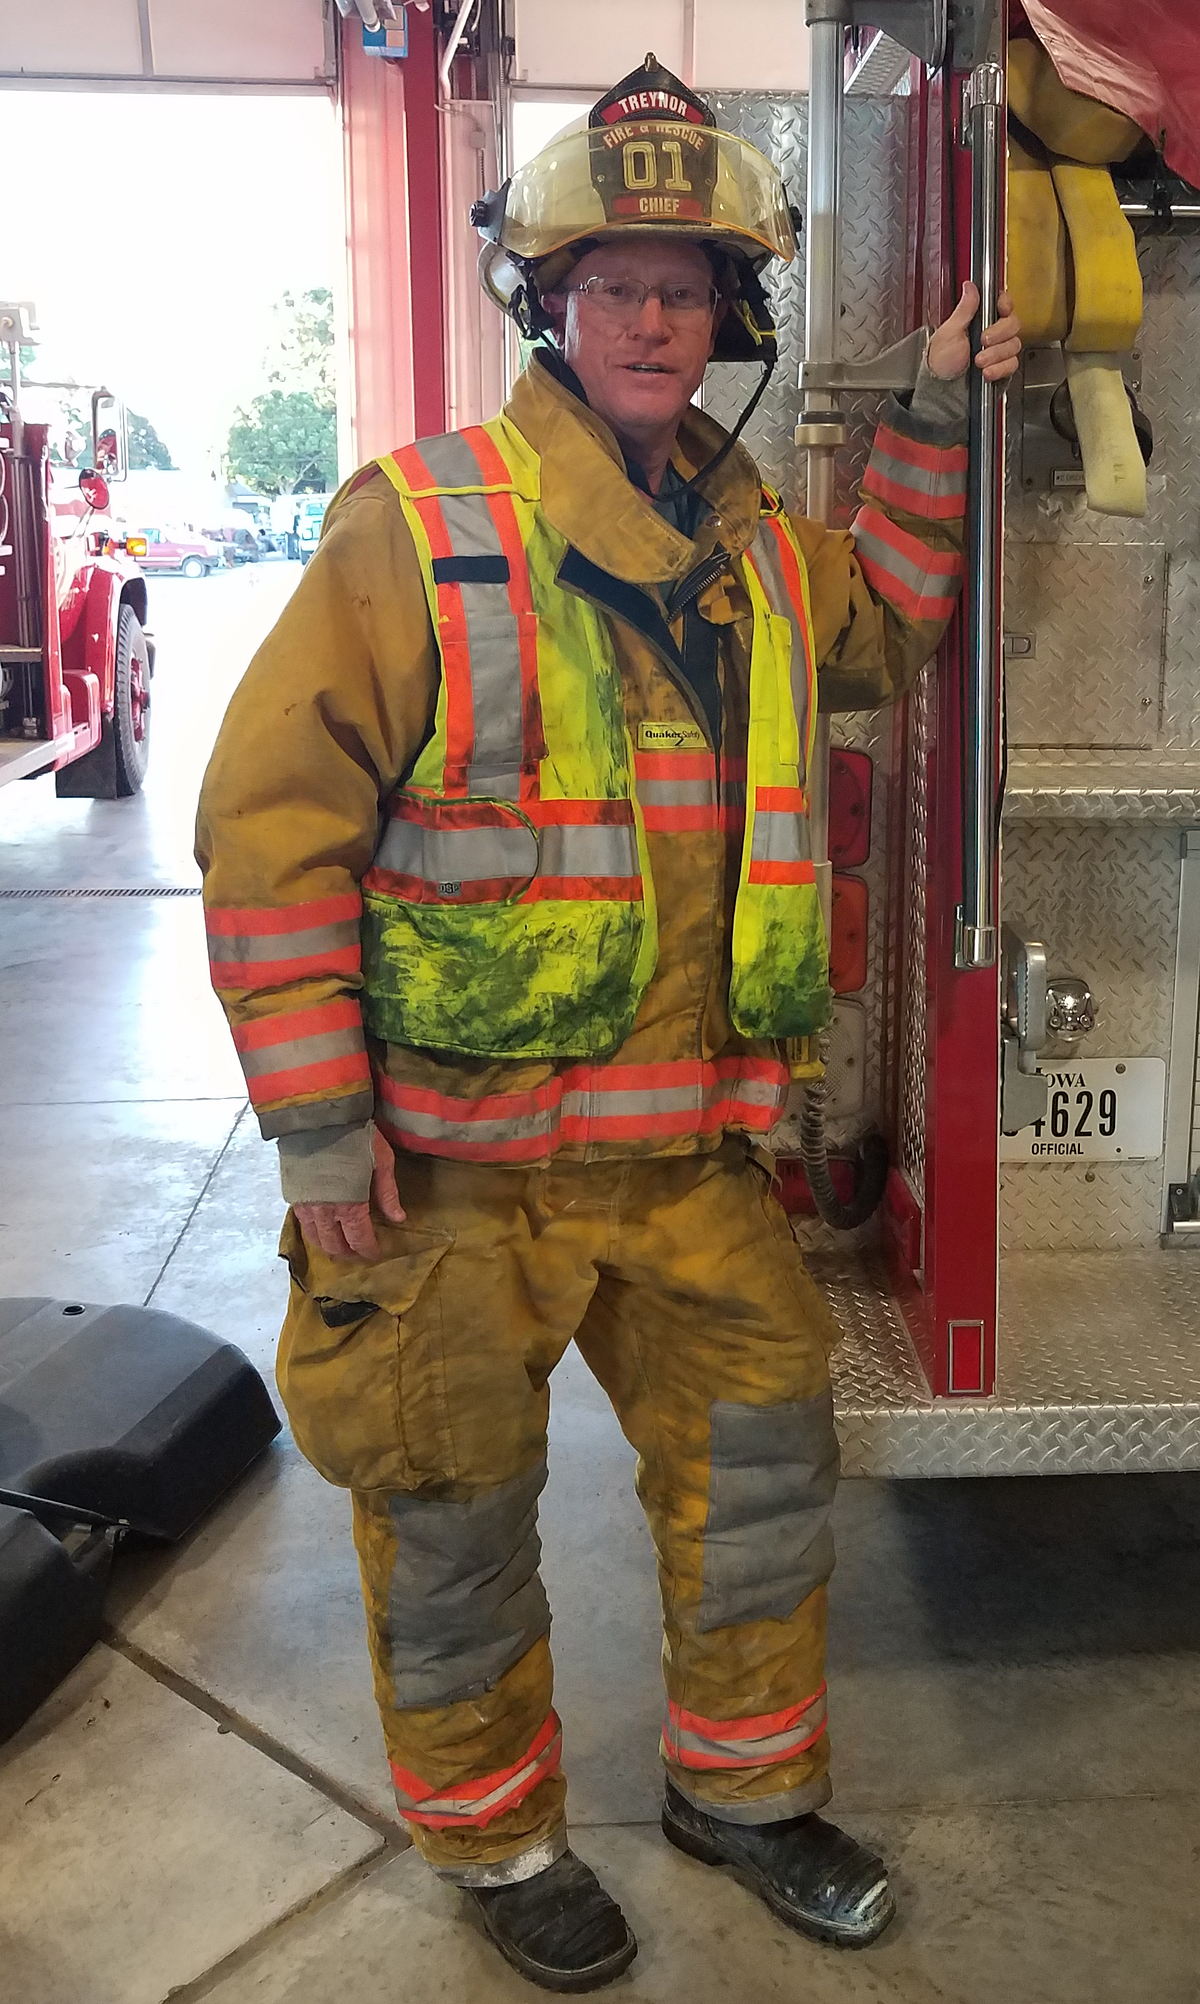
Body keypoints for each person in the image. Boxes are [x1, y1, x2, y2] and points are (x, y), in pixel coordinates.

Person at [197, 58, 1020, 1994]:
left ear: (729, 324)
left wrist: (913, 421)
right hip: (455, 1183)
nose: (652, 319)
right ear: (549, 309)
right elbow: (271, 841)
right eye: (612, 285)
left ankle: (741, 1796)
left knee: (758, 1489)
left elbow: (886, 629)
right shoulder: (418, 527)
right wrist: (325, 1146)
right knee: (455, 1525)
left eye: (686, 290)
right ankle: (496, 1848)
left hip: (689, 1168)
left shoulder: (754, 551)